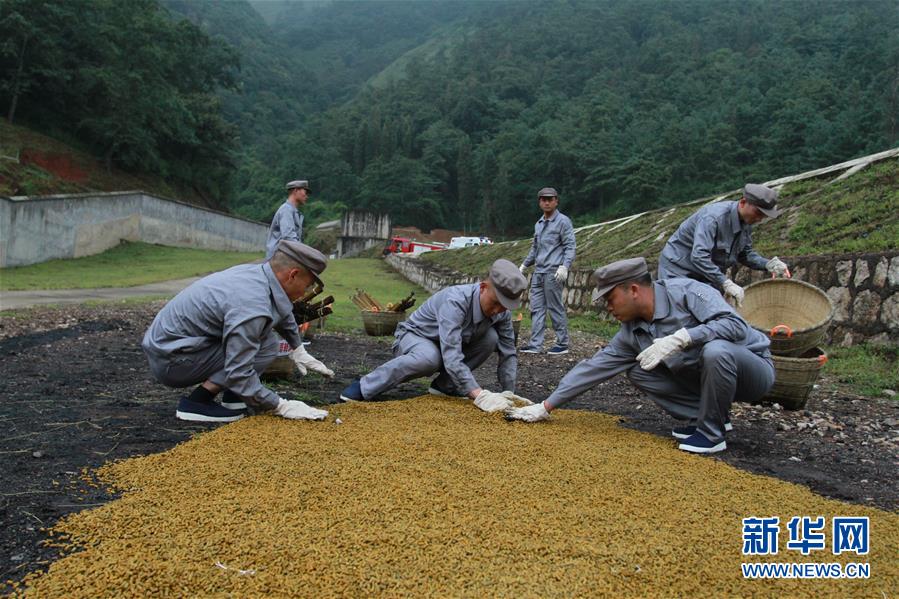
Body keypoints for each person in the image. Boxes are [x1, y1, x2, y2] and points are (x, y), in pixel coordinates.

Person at [505, 257, 775, 454]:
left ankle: (712, 434)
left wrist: (684, 337)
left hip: (751, 372)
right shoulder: (631, 331)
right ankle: (708, 416)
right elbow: (594, 368)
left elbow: (736, 326)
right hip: (707, 380)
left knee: (716, 350)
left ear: (633, 290)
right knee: (637, 369)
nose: (608, 308)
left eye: (610, 299)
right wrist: (545, 406)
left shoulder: (689, 292)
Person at [142, 240, 335, 423]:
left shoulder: (259, 274)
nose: (305, 292)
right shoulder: (251, 304)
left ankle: (235, 395)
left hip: (178, 344)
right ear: (292, 275)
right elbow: (238, 371)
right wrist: (281, 406)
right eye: (308, 285)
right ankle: (196, 403)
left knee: (267, 343)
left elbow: (282, 311)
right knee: (260, 344)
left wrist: (298, 348)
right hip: (172, 360)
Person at [339, 259, 530, 413]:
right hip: (415, 337)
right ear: (482, 287)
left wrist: (509, 392)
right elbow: (451, 354)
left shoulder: (501, 313)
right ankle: (364, 386)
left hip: (448, 347)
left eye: (504, 306)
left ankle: (444, 386)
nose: (498, 310)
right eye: (495, 303)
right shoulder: (456, 301)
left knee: (491, 339)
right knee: (430, 358)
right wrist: (479, 394)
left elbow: (508, 352)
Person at [657, 183, 791, 307]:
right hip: (678, 270)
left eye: (764, 216)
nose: (759, 219)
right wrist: (725, 282)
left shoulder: (747, 222)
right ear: (743, 202)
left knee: (713, 310)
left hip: (705, 274)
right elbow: (699, 256)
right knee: (685, 312)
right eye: (758, 213)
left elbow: (745, 254)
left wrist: (767, 264)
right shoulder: (712, 218)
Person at [518, 187, 576, 355]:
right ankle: (535, 345)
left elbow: (570, 246)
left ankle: (562, 343)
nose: (547, 202)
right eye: (543, 199)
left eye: (550, 199)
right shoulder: (539, 224)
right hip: (538, 272)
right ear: (539, 202)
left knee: (555, 307)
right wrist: (523, 265)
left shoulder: (563, 221)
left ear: (556, 201)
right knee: (536, 308)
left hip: (553, 272)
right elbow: (535, 249)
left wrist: (565, 266)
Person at [265, 180, 310, 261]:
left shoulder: (294, 212)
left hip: (285, 256)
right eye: (305, 192)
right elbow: (288, 237)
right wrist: (305, 252)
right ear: (296, 190)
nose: (307, 196)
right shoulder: (286, 210)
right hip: (277, 258)